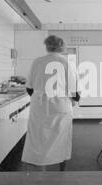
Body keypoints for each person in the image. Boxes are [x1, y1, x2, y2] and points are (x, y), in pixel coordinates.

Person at [22, 35, 79, 171]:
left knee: (39, 138)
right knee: (61, 136)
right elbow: (74, 90)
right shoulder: (67, 63)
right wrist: (74, 100)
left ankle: (41, 170)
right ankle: (61, 169)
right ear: (62, 47)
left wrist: (39, 98)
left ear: (46, 46)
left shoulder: (37, 62)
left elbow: (29, 87)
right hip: (60, 104)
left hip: (40, 105)